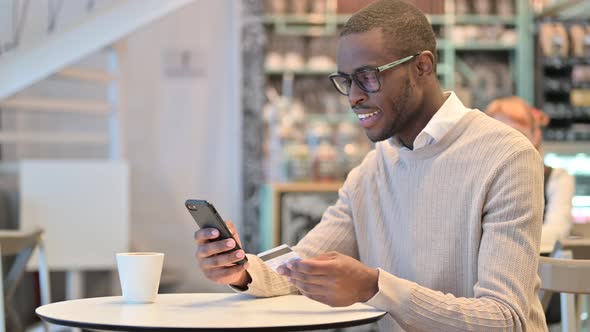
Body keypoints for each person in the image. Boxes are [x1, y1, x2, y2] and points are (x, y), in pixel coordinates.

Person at [194, 1, 547, 330]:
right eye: (346, 80)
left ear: (422, 66)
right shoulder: (374, 167)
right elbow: (302, 263)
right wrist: (241, 269)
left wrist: (374, 286)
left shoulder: (506, 156)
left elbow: (505, 319)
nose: (353, 96)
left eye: (367, 76)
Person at [486, 96, 574, 252]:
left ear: (536, 136)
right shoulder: (480, 180)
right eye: (500, 136)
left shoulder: (556, 178)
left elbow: (556, 233)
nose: (510, 145)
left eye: (519, 135)